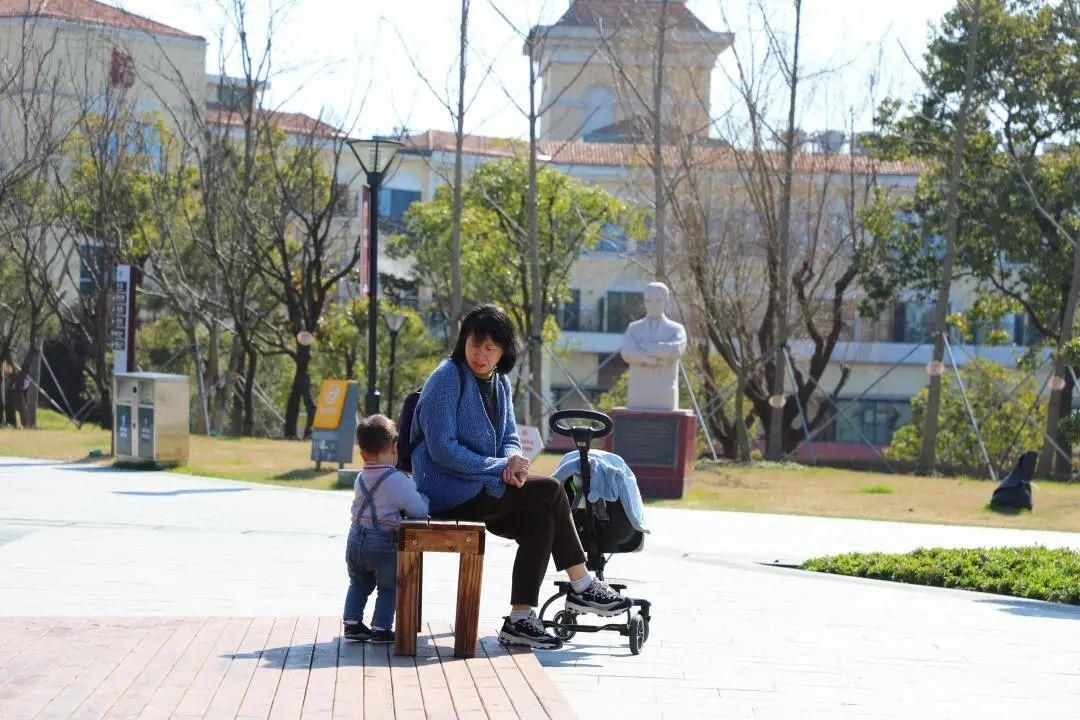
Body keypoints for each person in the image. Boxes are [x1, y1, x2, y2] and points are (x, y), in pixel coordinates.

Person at [411, 304, 632, 650]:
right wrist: (499, 466)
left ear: (503, 352)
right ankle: (582, 582)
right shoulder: (446, 379)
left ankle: (519, 619)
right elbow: (442, 450)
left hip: (486, 487)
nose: (480, 355)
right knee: (553, 490)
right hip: (448, 491)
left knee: (541, 518)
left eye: (490, 348)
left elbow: (510, 436)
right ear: (463, 341)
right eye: (474, 344)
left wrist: (515, 460)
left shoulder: (499, 383)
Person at [343, 414, 429, 644]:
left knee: (358, 582)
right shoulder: (398, 480)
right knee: (389, 587)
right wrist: (425, 498)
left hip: (355, 539)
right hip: (383, 542)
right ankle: (381, 628)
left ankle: (352, 623)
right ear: (395, 447)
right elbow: (418, 511)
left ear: (362, 453)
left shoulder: (361, 477)